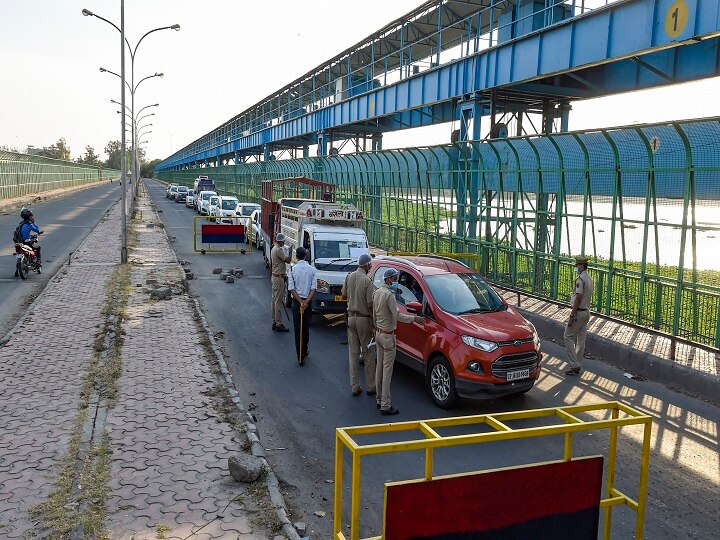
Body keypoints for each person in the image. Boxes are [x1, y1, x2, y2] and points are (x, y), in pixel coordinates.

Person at [372, 268, 423, 415]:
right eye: (394, 279)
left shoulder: (377, 292)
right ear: (388, 279)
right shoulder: (389, 295)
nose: (395, 282)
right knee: (388, 371)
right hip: (388, 336)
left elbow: (374, 314)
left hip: (379, 333)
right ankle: (385, 404)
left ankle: (378, 399)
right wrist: (414, 319)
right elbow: (398, 316)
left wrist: (375, 329)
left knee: (379, 368)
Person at [342, 253, 376, 397]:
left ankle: (355, 386)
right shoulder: (367, 281)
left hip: (351, 318)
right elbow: (370, 305)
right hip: (363, 319)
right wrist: (374, 323)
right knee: (368, 354)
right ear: (366, 265)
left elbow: (343, 295)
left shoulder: (349, 276)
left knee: (353, 354)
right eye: (370, 265)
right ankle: (370, 386)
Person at [564, 255, 594, 376]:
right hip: (587, 312)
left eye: (577, 266)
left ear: (581, 266)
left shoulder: (580, 280)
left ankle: (574, 365)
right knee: (581, 340)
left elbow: (578, 298)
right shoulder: (589, 278)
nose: (577, 268)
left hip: (579, 312)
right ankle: (577, 363)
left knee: (567, 336)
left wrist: (572, 315)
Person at [288, 246, 317, 365]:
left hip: (297, 302)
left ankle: (299, 354)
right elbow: (313, 288)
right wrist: (306, 302)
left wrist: (300, 302)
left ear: (296, 256)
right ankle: (304, 350)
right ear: (305, 256)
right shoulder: (312, 269)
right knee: (305, 328)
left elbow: (291, 288)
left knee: (297, 329)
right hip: (307, 303)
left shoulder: (292, 269)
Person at [270, 233, 292, 332]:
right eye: (283, 241)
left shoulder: (273, 249)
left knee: (274, 300)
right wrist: (290, 253)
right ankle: (279, 324)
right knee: (278, 301)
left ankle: (274, 321)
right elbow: (287, 260)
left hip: (275, 277)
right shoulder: (278, 250)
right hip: (279, 278)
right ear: (281, 241)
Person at [15, 209, 43, 275]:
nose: (33, 217)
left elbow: (24, 233)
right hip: (27, 242)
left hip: (20, 242)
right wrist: (33, 222)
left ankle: (16, 271)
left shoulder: (21, 223)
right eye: (32, 216)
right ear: (30, 217)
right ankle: (38, 262)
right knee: (38, 247)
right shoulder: (30, 224)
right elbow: (37, 230)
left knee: (19, 253)